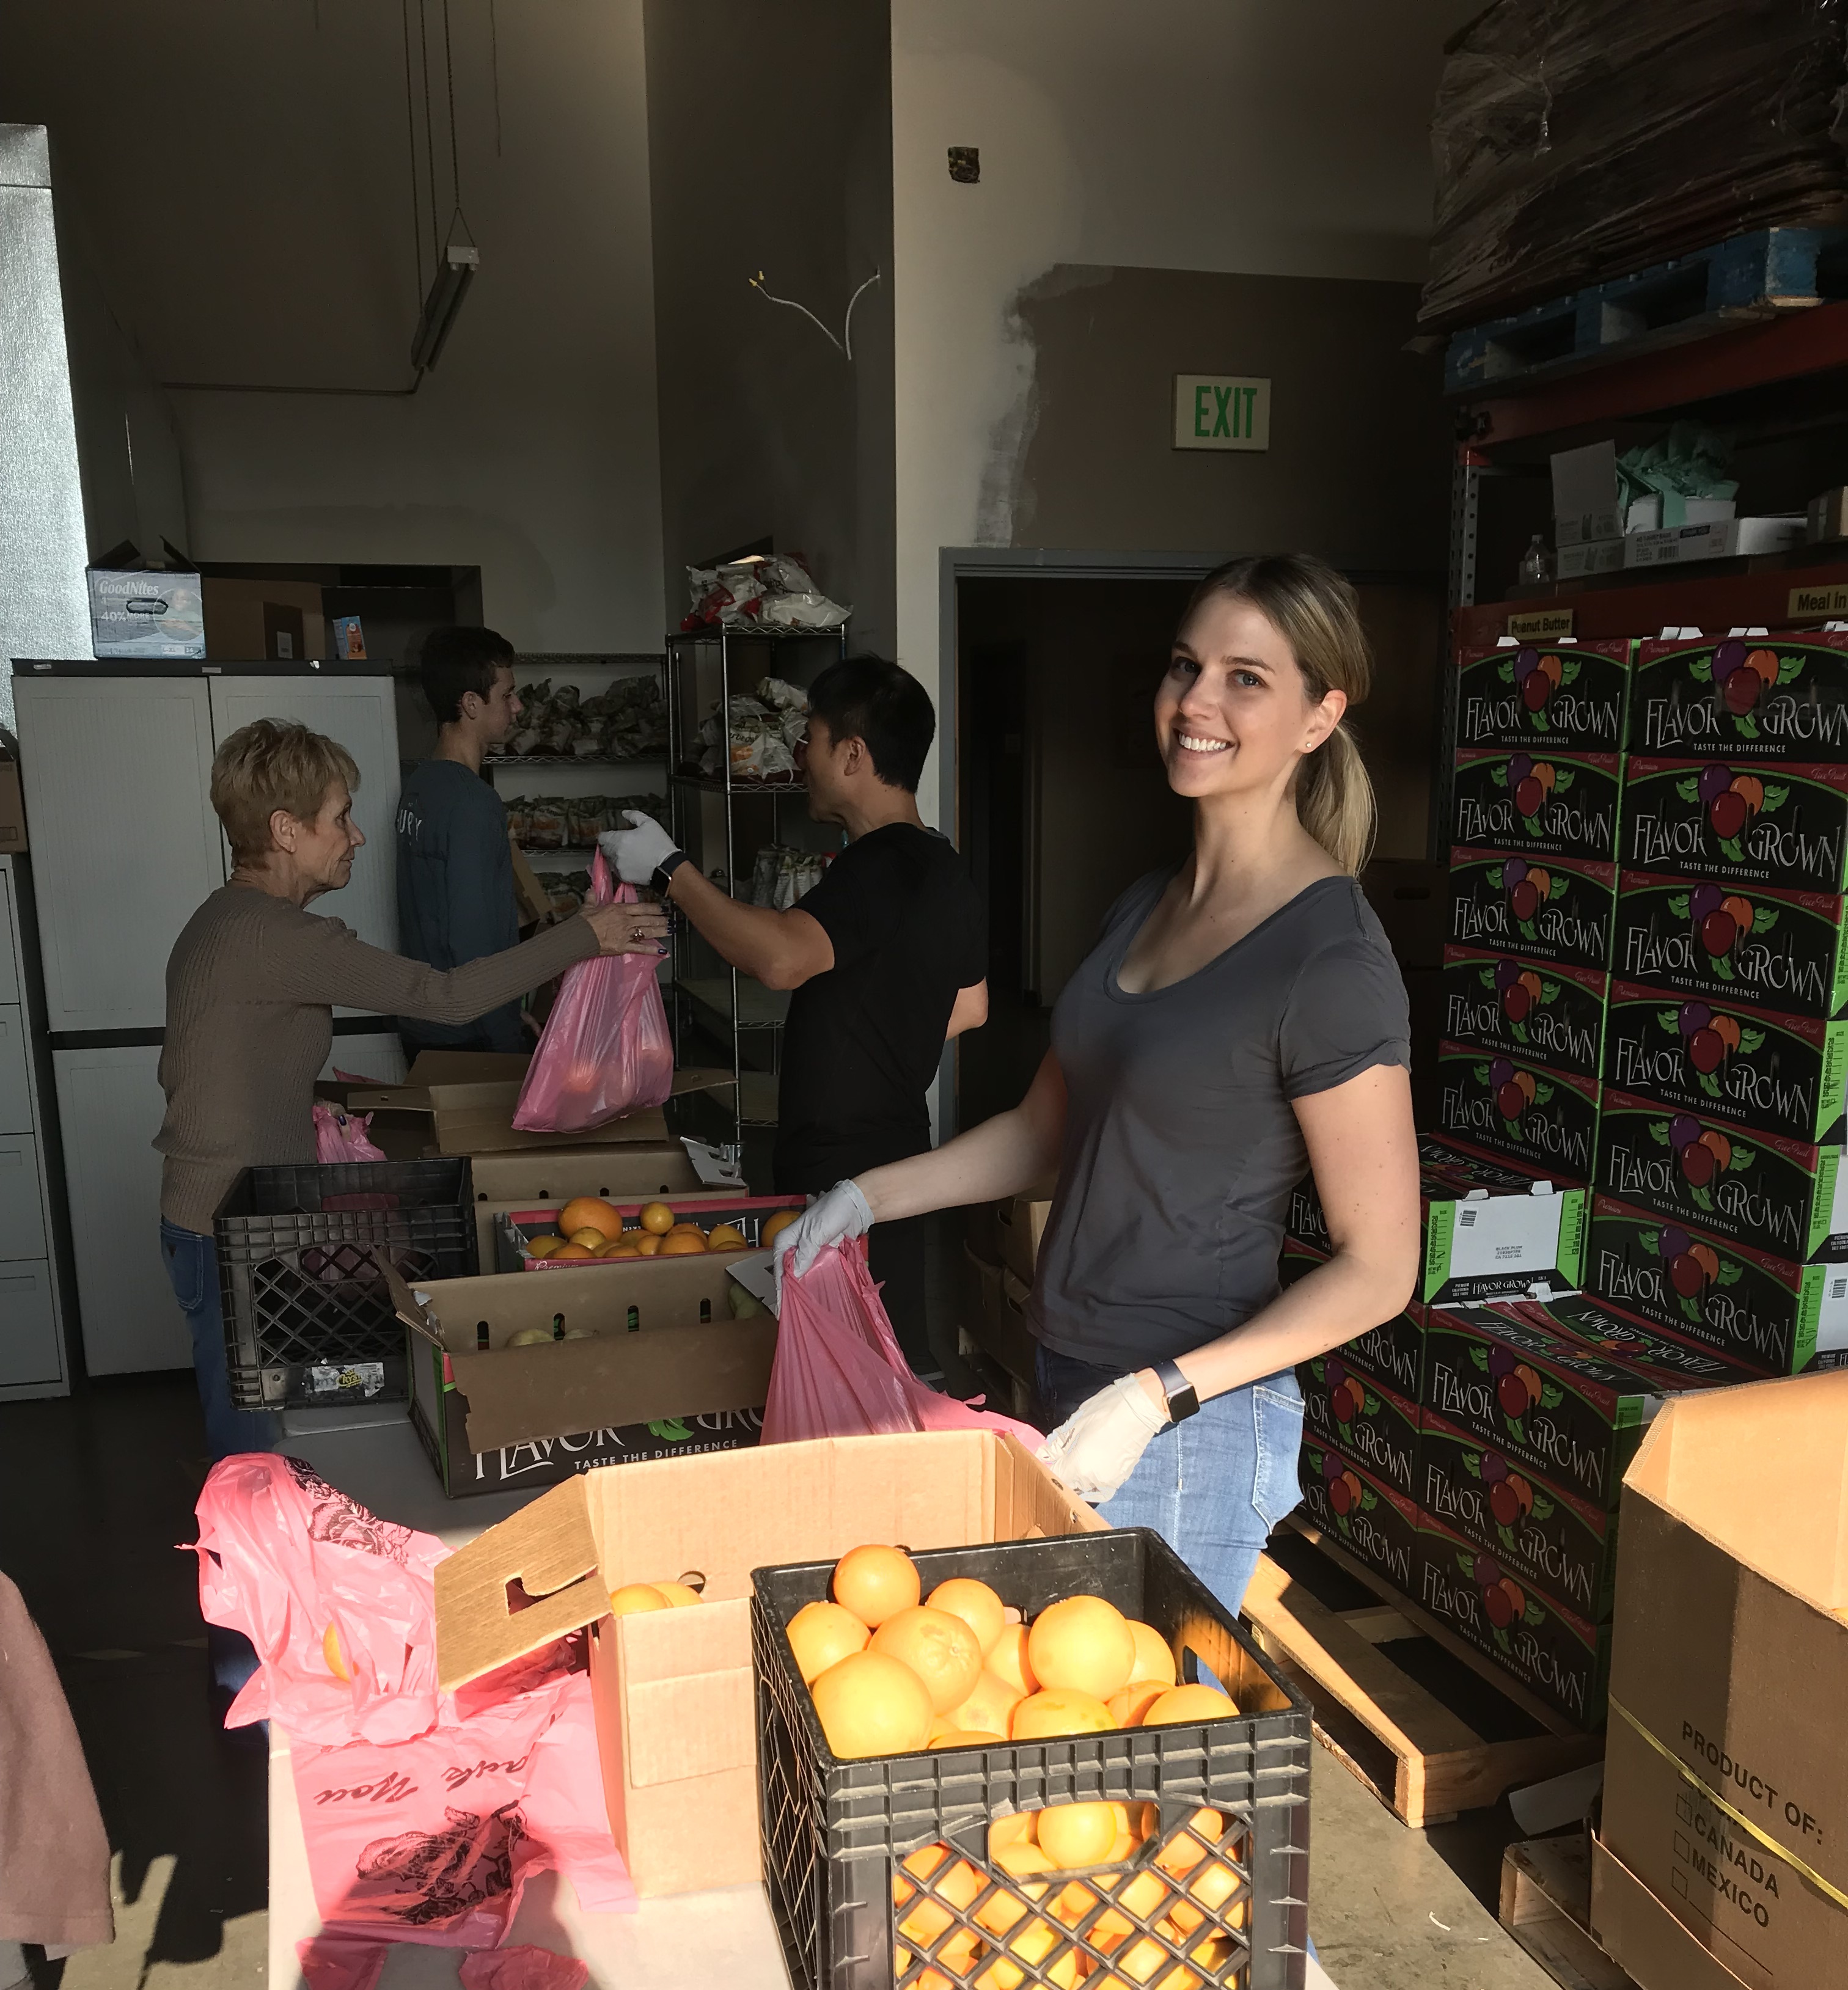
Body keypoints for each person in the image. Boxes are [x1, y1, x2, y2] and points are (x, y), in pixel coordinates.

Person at [774, 554, 1420, 1622]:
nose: (1195, 701)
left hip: (1189, 1414)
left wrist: (1155, 1393)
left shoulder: (1327, 955)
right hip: (1075, 1364)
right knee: (1070, 1721)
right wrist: (866, 1196)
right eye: (1183, 665)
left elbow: (1379, 1264)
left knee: (1137, 1749)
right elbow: (1041, 1132)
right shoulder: (1141, 906)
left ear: (1319, 715)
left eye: (1244, 678)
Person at [156, 717, 665, 1463]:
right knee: (256, 1456)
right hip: (229, 1235)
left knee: (267, 1431)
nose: (356, 836)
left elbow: (213, 1062)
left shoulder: (225, 921)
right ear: (285, 830)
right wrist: (588, 936)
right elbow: (448, 996)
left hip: (217, 1219)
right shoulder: (278, 937)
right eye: (340, 818)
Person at [603, 656, 986, 1371]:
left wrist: (671, 870)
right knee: (889, 1348)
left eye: (809, 739)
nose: (801, 758)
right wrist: (880, 1037)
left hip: (842, 1159)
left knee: (834, 1363)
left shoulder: (876, 866)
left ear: (853, 754)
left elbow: (781, 959)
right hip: (897, 1146)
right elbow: (971, 1006)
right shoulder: (943, 865)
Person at [395, 625, 530, 1062]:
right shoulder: (474, 803)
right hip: (468, 1034)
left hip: (422, 1021)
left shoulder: (420, 785)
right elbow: (472, 941)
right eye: (507, 694)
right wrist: (507, 1035)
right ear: (471, 703)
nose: (517, 706)